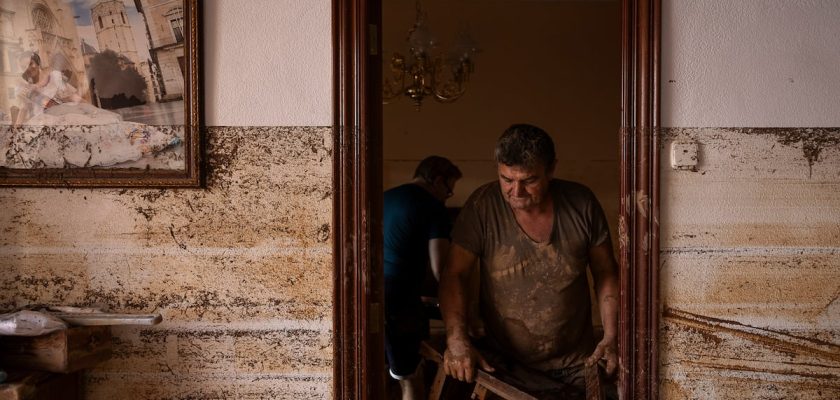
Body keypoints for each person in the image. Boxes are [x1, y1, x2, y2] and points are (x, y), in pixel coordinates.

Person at [439, 124, 619, 399]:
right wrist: (456, 339)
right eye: (507, 179)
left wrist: (611, 335)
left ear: (551, 169)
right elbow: (455, 274)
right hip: (505, 364)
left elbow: (605, 272)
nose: (516, 191)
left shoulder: (581, 203)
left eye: (529, 180)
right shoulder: (482, 206)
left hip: (576, 362)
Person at [383, 156, 462, 400]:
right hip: (400, 300)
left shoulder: (386, 197)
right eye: (449, 189)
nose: (447, 195)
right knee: (412, 380)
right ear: (438, 181)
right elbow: (442, 271)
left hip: (369, 296)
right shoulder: (433, 207)